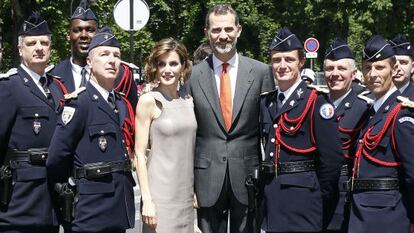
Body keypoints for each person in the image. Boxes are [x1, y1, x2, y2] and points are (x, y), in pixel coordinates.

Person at [188, 4, 275, 233]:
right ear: (207, 32)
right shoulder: (192, 76)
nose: (223, 36)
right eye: (216, 30)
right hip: (206, 178)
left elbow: (269, 130)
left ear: (239, 30)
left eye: (228, 29)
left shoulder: (260, 73)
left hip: (248, 177)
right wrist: (189, 185)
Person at [47, 27, 135, 233]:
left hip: (118, 208)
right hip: (89, 212)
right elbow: (56, 158)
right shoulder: (80, 103)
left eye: (116, 55)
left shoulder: (121, 103)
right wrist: (69, 194)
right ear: (89, 62)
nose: (112, 60)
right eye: (104, 54)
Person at [259, 27, 343, 233]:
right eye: (277, 60)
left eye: (289, 60)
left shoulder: (316, 102)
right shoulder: (266, 102)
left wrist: (315, 195)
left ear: (301, 62)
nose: (282, 66)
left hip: (303, 201)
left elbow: (331, 160)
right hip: (270, 198)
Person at [0, 12, 66, 233]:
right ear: (20, 49)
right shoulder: (9, 87)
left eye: (44, 42)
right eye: (31, 43)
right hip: (19, 203)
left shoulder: (57, 88)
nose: (39, 47)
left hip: (51, 201)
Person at [348, 34, 414, 233]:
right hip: (362, 213)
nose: (373, 74)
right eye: (368, 68)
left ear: (393, 70)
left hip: (388, 218)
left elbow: (412, 175)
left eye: (380, 67)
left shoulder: (401, 115)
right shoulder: (370, 111)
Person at [134, 38, 196, 233]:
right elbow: (139, 156)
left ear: (183, 66)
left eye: (173, 63)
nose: (167, 70)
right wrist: (148, 201)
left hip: (185, 196)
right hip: (160, 197)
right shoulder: (148, 101)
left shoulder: (189, 100)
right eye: (162, 64)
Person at [49, 0, 138, 109]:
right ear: (68, 35)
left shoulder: (121, 74)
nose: (84, 35)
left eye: (90, 30)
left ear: (98, 34)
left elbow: (131, 115)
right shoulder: (53, 75)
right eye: (77, 30)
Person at [323, 38, 371, 233]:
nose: (335, 74)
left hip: (345, 197)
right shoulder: (316, 103)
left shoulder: (364, 107)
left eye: (341, 68)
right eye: (330, 68)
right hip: (316, 195)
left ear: (353, 73)